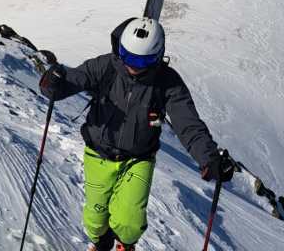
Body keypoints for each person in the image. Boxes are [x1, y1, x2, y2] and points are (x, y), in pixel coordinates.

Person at [39, 17, 236, 251]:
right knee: (94, 218)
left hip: (138, 159)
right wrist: (53, 83)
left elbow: (188, 123)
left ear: (157, 57)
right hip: (98, 153)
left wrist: (209, 158)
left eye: (141, 60)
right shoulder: (106, 66)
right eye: (127, 55)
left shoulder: (167, 82)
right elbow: (72, 80)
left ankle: (125, 246)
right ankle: (100, 244)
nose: (131, 65)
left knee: (129, 220)